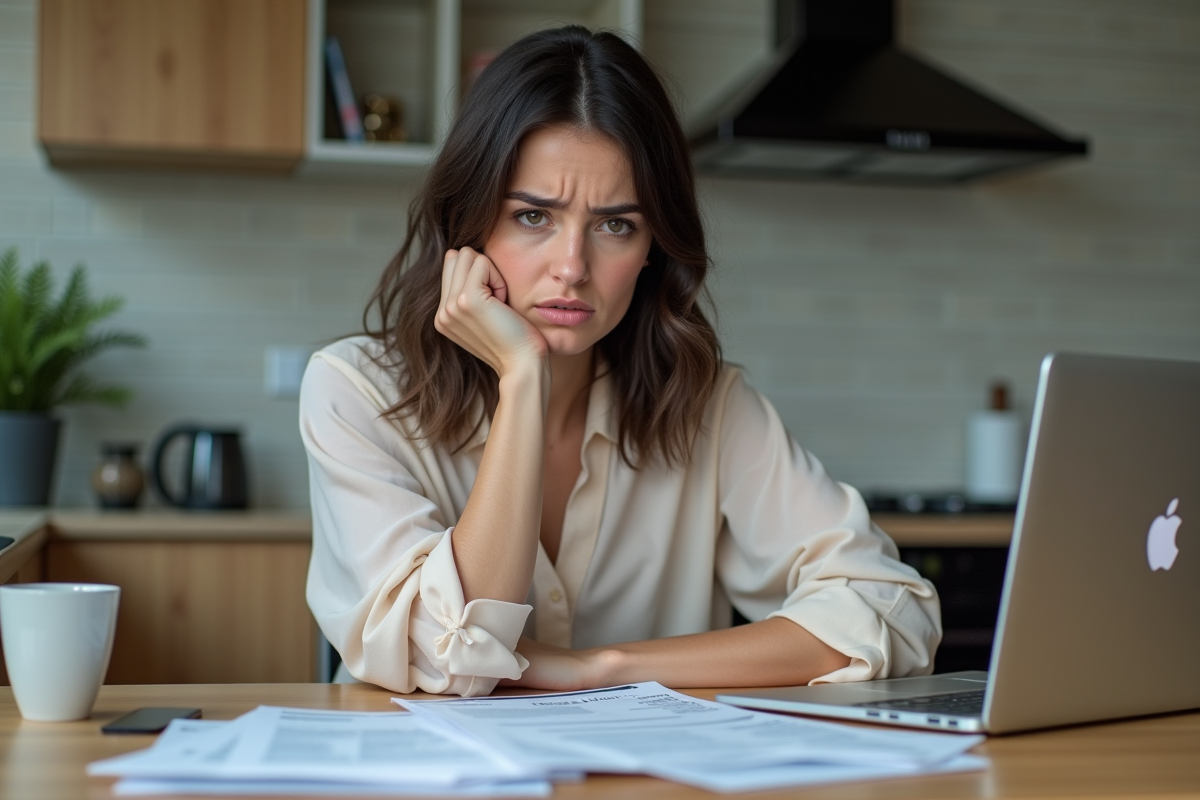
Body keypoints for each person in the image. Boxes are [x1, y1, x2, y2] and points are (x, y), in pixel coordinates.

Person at [300, 26, 939, 697]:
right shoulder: (356, 394)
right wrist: (522, 381)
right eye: (533, 217)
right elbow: (453, 658)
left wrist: (608, 668)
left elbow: (892, 610)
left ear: (652, 249)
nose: (573, 268)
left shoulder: (706, 406)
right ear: (469, 222)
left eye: (616, 225)